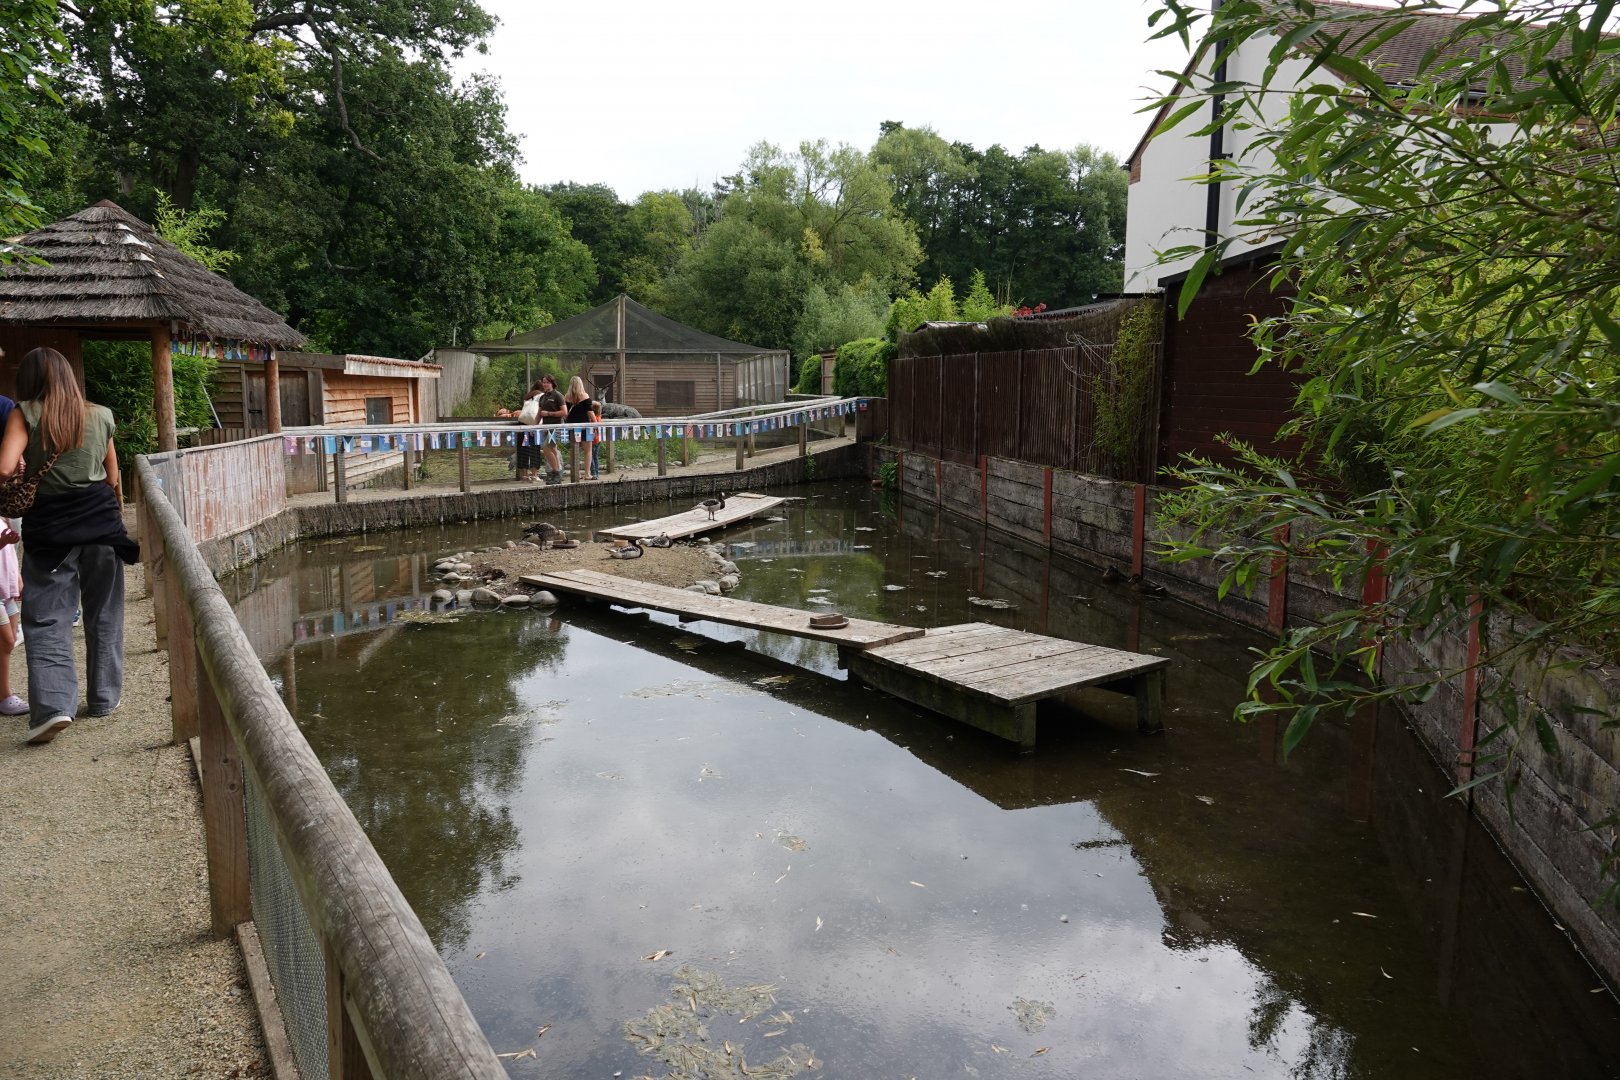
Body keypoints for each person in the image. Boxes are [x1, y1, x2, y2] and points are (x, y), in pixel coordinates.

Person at [0, 347, 137, 744]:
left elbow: (5, 467)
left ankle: (54, 708)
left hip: (52, 533)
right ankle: (104, 699)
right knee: (104, 613)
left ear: (29, 380)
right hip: (102, 529)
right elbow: (111, 478)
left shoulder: (24, 412)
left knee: (47, 619)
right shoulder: (101, 414)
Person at [534, 374, 567, 484]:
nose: (545, 384)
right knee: (553, 450)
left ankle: (556, 472)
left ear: (552, 383)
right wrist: (533, 427)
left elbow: (564, 412)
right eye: (543, 382)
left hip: (556, 427)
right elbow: (539, 414)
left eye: (547, 382)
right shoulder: (542, 397)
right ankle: (557, 474)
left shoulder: (558, 396)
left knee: (547, 448)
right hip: (546, 427)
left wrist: (549, 413)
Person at [513, 381, 545, 482]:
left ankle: (524, 475)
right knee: (535, 448)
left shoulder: (527, 396)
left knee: (523, 449)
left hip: (522, 424)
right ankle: (535, 474)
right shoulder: (542, 395)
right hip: (533, 423)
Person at [563, 377, 594, 481]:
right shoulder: (584, 396)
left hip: (572, 426)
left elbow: (565, 414)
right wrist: (595, 424)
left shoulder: (566, 397)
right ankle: (587, 474)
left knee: (575, 450)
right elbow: (590, 412)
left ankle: (577, 473)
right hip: (585, 426)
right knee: (588, 450)